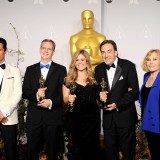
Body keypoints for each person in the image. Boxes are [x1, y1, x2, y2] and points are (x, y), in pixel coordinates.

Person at [22, 39, 67, 160]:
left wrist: (51, 102)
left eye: (49, 48)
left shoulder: (61, 70)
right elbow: (25, 92)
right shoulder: (30, 69)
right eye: (44, 48)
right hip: (34, 118)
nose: (46, 51)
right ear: (39, 49)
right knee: (32, 152)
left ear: (53, 51)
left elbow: (62, 95)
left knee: (52, 153)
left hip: (52, 118)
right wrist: (37, 95)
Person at [95, 40, 139, 160]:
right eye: (103, 52)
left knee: (128, 154)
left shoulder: (128, 66)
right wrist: (99, 97)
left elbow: (135, 92)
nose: (106, 55)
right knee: (110, 155)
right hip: (108, 120)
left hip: (125, 118)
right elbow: (97, 93)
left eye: (109, 51)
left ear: (116, 52)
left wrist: (117, 104)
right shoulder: (98, 69)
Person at [63, 50, 105, 160]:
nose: (79, 62)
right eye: (77, 60)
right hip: (75, 120)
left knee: (93, 148)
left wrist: (102, 97)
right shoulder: (68, 80)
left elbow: (100, 98)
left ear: (87, 61)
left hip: (92, 120)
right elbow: (64, 101)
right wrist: (68, 99)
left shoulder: (94, 78)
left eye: (82, 59)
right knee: (77, 149)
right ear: (74, 62)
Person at [0, 37, 22, 160]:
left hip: (8, 118)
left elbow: (18, 94)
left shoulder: (14, 71)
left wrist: (4, 112)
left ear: (5, 51)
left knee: (11, 152)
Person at [139, 49, 160, 160]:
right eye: (148, 59)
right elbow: (145, 98)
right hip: (148, 123)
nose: (151, 62)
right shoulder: (146, 76)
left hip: (158, 123)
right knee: (154, 153)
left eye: (155, 59)